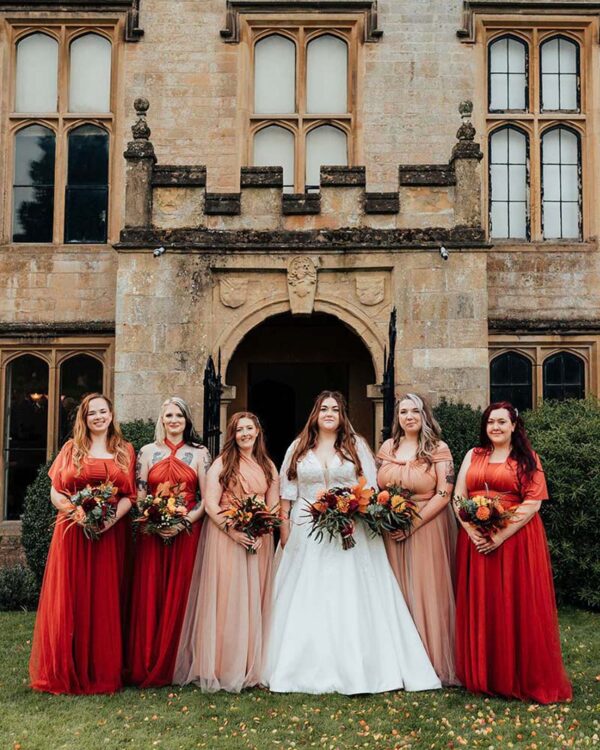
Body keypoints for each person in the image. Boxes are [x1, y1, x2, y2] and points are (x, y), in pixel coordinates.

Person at [263, 391, 441, 695]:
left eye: (335, 409)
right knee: (306, 596)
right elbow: (287, 493)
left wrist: (352, 508)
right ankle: (299, 665)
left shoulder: (356, 445)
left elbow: (369, 487)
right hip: (307, 531)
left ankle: (360, 665)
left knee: (352, 595)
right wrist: (285, 530)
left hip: (352, 528)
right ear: (315, 414)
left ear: (342, 414)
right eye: (323, 409)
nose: (329, 413)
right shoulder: (299, 447)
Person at [454, 401, 572, 703]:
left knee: (514, 602)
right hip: (476, 539)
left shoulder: (527, 458)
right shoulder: (473, 455)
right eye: (491, 422)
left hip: (515, 541)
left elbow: (533, 503)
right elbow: (459, 497)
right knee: (486, 602)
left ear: (514, 426)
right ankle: (485, 674)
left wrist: (500, 536)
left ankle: (516, 675)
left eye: (502, 422)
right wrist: (470, 530)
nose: (495, 427)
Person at [29, 393, 135, 694]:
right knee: (71, 596)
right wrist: (76, 512)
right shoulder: (71, 449)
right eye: (92, 413)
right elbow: (56, 491)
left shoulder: (125, 450)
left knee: (104, 597)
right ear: (84, 418)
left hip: (109, 532)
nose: (99, 417)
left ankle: (102, 669)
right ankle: (68, 668)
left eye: (103, 411)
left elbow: (129, 496)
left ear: (112, 415)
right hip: (72, 530)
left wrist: (111, 520)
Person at [173, 412, 279, 692]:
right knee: (229, 599)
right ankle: (223, 665)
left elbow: (274, 505)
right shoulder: (222, 463)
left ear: (258, 431)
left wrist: (261, 530)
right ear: (232, 434)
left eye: (249, 428)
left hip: (258, 539)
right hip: (227, 537)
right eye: (239, 429)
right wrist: (234, 531)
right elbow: (210, 504)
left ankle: (250, 664)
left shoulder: (267, 465)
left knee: (255, 599)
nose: (245, 433)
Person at [127, 397, 210, 687]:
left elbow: (206, 499)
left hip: (187, 532)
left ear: (187, 421)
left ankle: (179, 663)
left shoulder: (200, 453)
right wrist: (153, 519)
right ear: (161, 420)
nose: (173, 420)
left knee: (182, 594)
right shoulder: (147, 452)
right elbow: (139, 497)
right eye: (168, 415)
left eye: (179, 416)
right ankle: (149, 661)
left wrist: (184, 522)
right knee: (151, 593)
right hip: (153, 534)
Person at [377, 393, 458, 686]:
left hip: (427, 525)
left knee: (427, 589)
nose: (408, 417)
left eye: (414, 411)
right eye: (403, 412)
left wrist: (413, 524)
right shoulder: (388, 447)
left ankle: (431, 660)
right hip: (390, 528)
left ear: (424, 415)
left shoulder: (438, 448)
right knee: (396, 589)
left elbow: (444, 493)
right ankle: (400, 660)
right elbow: (376, 486)